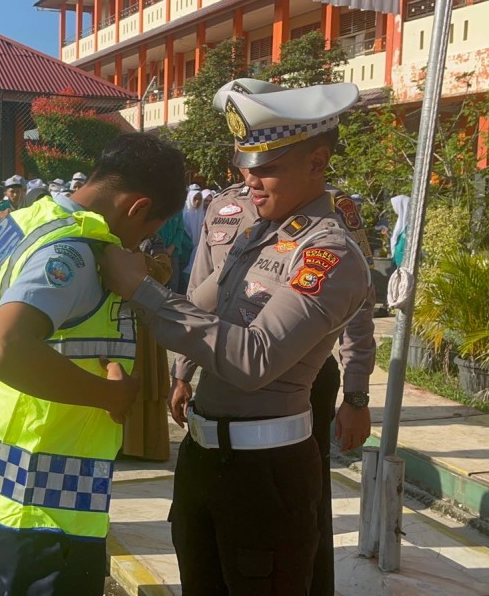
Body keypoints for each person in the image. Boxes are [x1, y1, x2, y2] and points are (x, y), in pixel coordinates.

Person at [99, 80, 370, 594]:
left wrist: (142, 290)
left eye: (268, 166)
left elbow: (253, 359)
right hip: (205, 460)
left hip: (264, 475)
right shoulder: (255, 233)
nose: (250, 179)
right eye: (246, 164)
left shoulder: (325, 253)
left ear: (317, 162)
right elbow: (196, 307)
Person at [0, 133, 184, 594]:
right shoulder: (72, 253)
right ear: (138, 207)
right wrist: (111, 395)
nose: (141, 245)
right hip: (42, 505)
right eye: (149, 231)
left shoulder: (23, 220)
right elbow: (2, 350)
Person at [121, 234, 173, 462]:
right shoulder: (106, 239)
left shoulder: (151, 241)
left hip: (142, 323)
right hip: (114, 322)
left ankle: (145, 446)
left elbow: (161, 274)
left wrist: (135, 256)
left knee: (145, 381)